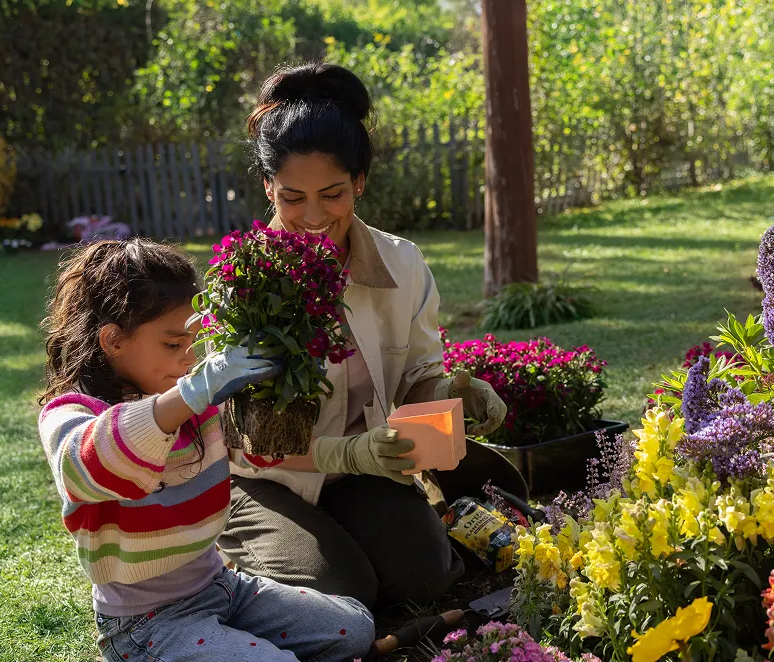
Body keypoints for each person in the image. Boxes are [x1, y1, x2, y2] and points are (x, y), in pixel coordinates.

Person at [218, 62, 508, 609]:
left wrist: (455, 393)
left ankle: (341, 536)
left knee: (423, 579)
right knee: (339, 592)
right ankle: (236, 559)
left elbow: (417, 379)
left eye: (332, 194)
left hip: (360, 471)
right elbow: (255, 442)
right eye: (291, 197)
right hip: (260, 478)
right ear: (267, 188)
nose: (311, 216)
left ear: (360, 182)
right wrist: (352, 455)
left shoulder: (402, 262)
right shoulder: (247, 282)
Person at [37, 239, 374, 662]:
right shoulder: (72, 413)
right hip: (146, 622)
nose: (188, 358)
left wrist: (350, 450)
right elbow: (87, 464)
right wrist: (193, 393)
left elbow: (255, 454)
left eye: (193, 342)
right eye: (172, 344)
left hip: (222, 588)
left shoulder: (190, 402)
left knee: (354, 627)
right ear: (113, 341)